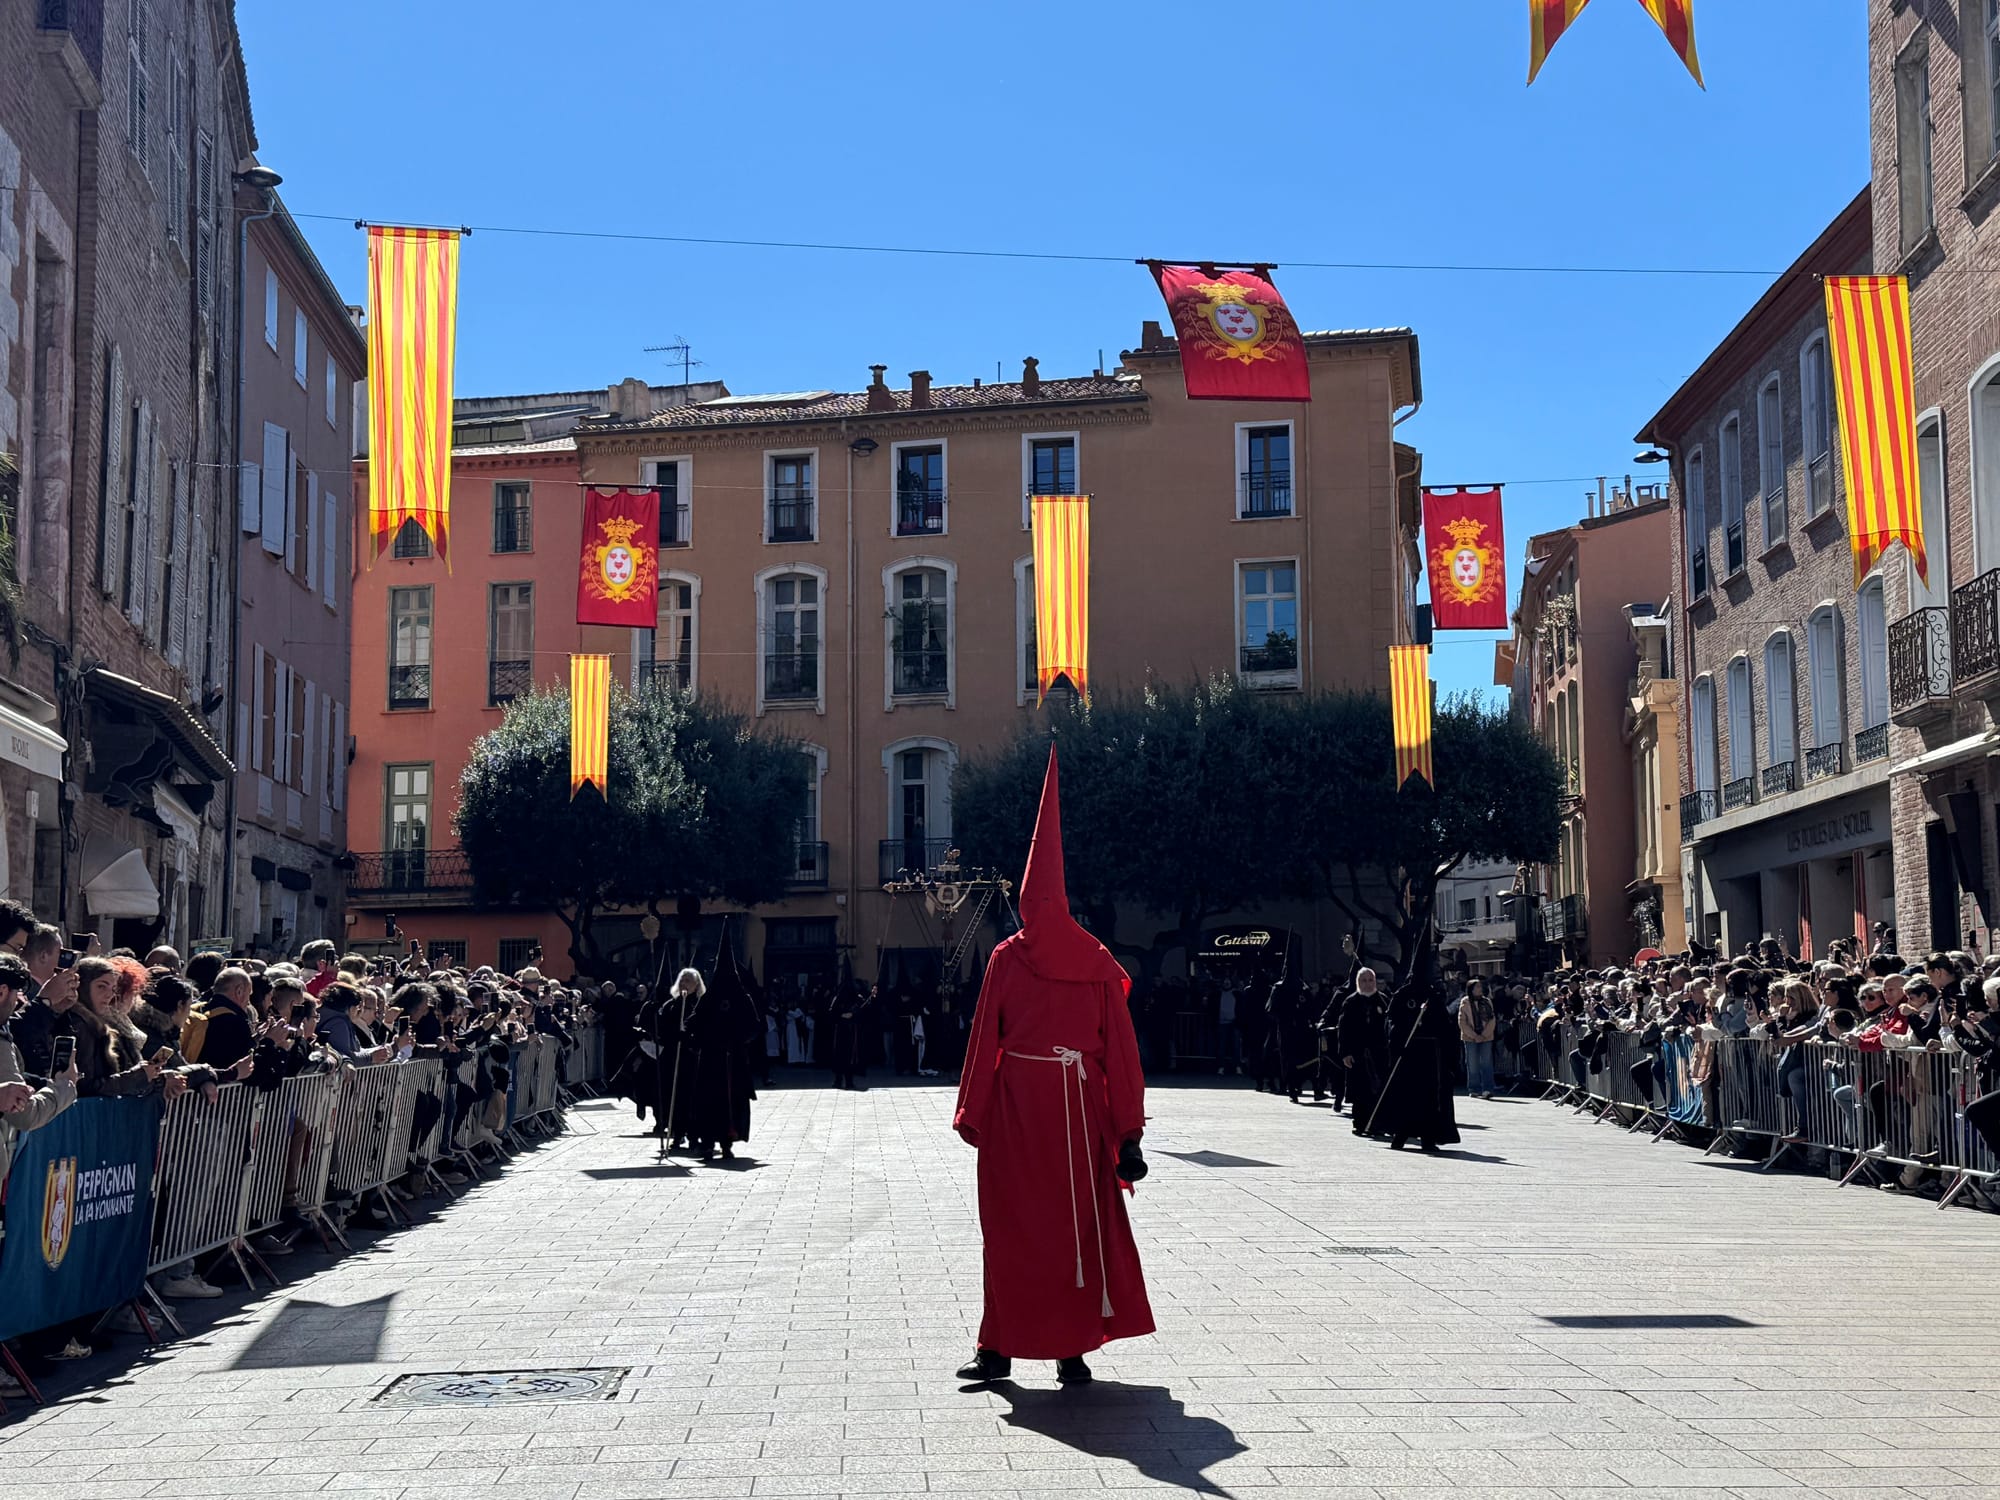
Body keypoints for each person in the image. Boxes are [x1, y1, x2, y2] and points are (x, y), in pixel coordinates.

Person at [953, 748, 1153, 1387]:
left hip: (1017, 1113)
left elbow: (984, 1042)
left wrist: (973, 1112)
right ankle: (1072, 1350)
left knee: (1011, 1230)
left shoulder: (1007, 959)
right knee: (1076, 1228)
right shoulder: (1095, 962)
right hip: (1078, 1111)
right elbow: (1121, 1054)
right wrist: (1128, 1132)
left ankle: (998, 1350)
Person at [676, 941, 763, 1161]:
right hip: (711, 1059)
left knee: (730, 1100)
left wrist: (738, 1041)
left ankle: (725, 1142)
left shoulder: (741, 997)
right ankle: (708, 1142)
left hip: (732, 1059)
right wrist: (694, 1037)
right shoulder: (710, 998)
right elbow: (693, 1023)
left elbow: (753, 1026)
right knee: (709, 1100)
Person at [1370, 982, 1461, 1154]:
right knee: (1407, 1097)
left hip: (1431, 1059)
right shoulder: (1403, 994)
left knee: (1429, 1099)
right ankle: (1401, 1135)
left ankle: (1428, 1138)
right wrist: (1399, 1043)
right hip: (1408, 1057)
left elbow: (1445, 1026)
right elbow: (1392, 1023)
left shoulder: (1433, 996)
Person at [1334, 967, 1389, 1136]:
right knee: (1359, 1090)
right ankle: (1359, 1123)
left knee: (1378, 1089)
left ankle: (1377, 1124)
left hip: (1378, 1053)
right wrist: (1345, 1053)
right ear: (1358, 982)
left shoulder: (1383, 1000)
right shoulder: (1350, 1002)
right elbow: (1343, 1029)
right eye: (1364, 981)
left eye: (1370, 980)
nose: (1367, 984)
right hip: (1357, 1053)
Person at [1458, 977, 1498, 1098]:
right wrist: (1474, 1036)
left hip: (1486, 1037)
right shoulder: (1465, 1002)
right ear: (1471, 989)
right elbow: (1462, 1022)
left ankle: (1488, 1088)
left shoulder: (1487, 1001)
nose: (1480, 989)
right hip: (1470, 1037)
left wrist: (1484, 1035)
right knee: (1472, 1063)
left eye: (1481, 986)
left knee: (1486, 1063)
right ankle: (1474, 1088)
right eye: (1477, 987)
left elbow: (1492, 1019)